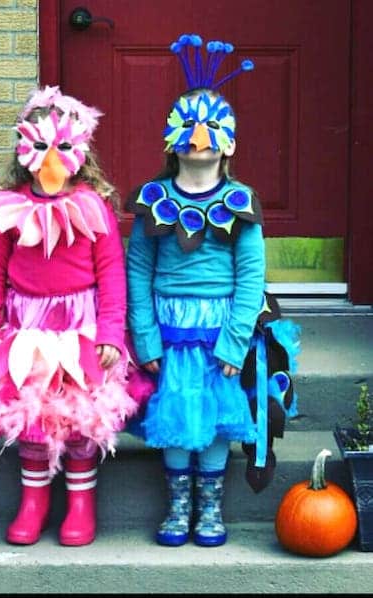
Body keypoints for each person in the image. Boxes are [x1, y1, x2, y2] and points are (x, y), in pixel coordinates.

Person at [125, 35, 300, 548]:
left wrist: (235, 338)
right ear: (170, 137)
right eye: (188, 122)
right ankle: (178, 505)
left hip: (220, 329)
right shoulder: (153, 200)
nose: (198, 134)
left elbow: (251, 278)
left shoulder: (241, 203)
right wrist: (145, 334)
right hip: (169, 329)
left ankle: (210, 507)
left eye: (210, 125)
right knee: (178, 413)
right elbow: (138, 267)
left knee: (219, 420)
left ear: (228, 142)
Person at [0, 85, 139, 547]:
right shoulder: (8, 210)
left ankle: (80, 504)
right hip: (25, 330)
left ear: (80, 149)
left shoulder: (93, 208)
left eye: (62, 146)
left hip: (82, 328)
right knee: (33, 418)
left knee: (78, 419)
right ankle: (33, 502)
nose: (51, 157)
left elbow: (112, 270)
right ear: (24, 147)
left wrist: (112, 332)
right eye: (40, 145)